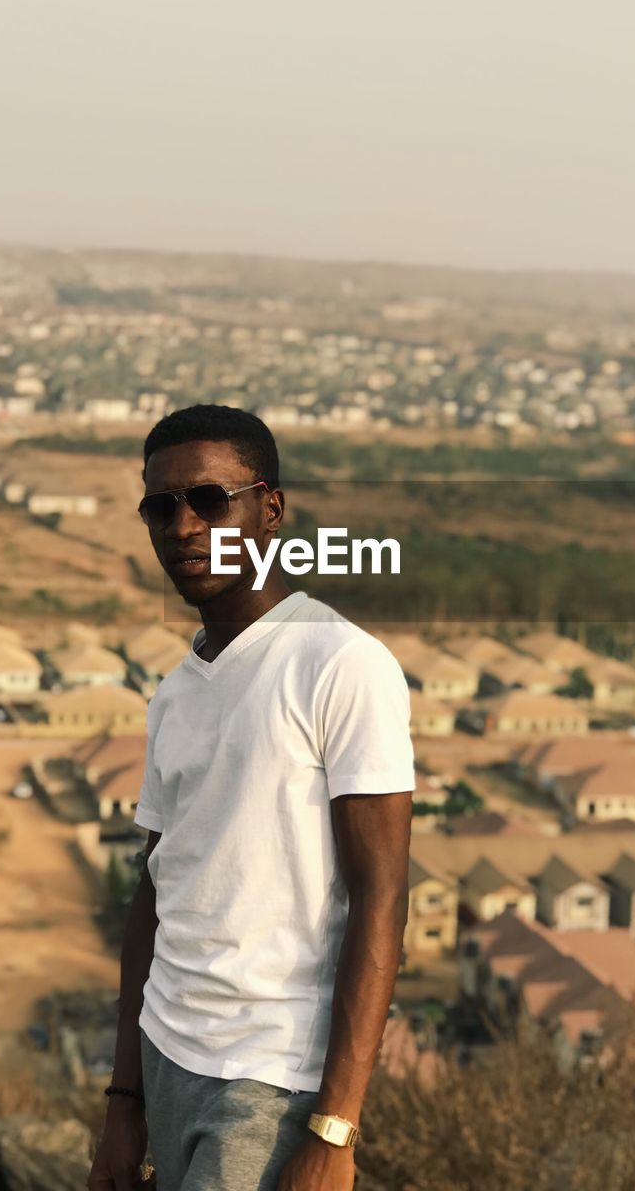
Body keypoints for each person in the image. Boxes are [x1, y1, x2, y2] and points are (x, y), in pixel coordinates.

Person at [87, 404, 414, 1191]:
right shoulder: (175, 692)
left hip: (268, 1081)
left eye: (210, 499)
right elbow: (155, 896)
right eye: (160, 507)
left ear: (269, 508)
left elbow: (382, 896)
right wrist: (123, 1103)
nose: (184, 525)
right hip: (167, 1053)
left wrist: (334, 1128)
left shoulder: (340, 665)